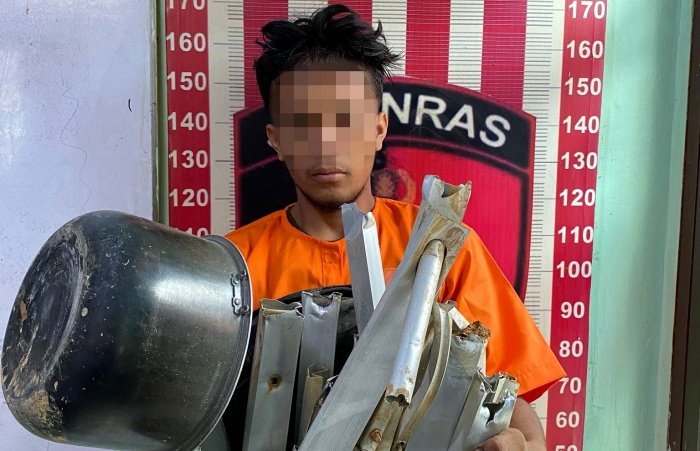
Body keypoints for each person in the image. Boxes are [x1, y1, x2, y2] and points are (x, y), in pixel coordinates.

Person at [225, 4, 565, 450]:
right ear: (275, 139)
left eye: (345, 119)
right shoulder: (231, 269)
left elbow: (513, 401)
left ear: (379, 128)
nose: (326, 143)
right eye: (303, 123)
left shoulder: (442, 248)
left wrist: (520, 443)